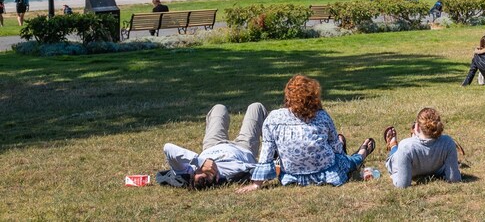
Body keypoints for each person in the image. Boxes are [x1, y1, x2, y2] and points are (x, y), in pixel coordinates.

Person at [238, 76, 374, 192]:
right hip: (327, 173)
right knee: (348, 161)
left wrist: (257, 184)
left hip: (291, 177)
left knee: (338, 152)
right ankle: (361, 154)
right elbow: (335, 148)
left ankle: (349, 149)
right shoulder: (322, 117)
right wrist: (342, 157)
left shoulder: (273, 118)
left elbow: (266, 153)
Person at [159, 102, 268, 189]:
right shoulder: (230, 172)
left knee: (219, 108)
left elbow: (168, 148)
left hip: (213, 145)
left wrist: (200, 162)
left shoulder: (187, 170)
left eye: (199, 170)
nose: (204, 168)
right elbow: (259, 168)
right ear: (216, 178)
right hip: (243, 147)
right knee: (256, 107)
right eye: (208, 171)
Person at [383, 107, 461, 189]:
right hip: (434, 169)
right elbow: (454, 178)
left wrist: (394, 175)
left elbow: (402, 185)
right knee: (408, 148)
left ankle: (393, 145)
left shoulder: (405, 146)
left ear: (417, 127)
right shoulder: (448, 142)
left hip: (403, 158)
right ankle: (413, 138)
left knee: (396, 152)